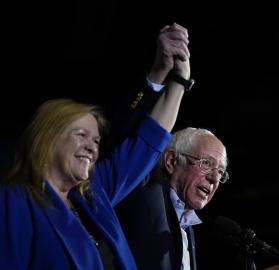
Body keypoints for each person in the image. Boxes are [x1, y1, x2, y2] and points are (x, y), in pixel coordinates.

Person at [0, 22, 191, 270]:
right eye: (82, 135)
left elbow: (150, 138)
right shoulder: (13, 200)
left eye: (96, 140)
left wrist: (179, 78)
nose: (92, 147)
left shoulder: (95, 193)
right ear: (47, 137)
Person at [116, 126, 228, 270]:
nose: (214, 178)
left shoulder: (188, 226)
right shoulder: (142, 194)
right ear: (171, 161)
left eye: (220, 172)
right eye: (206, 163)